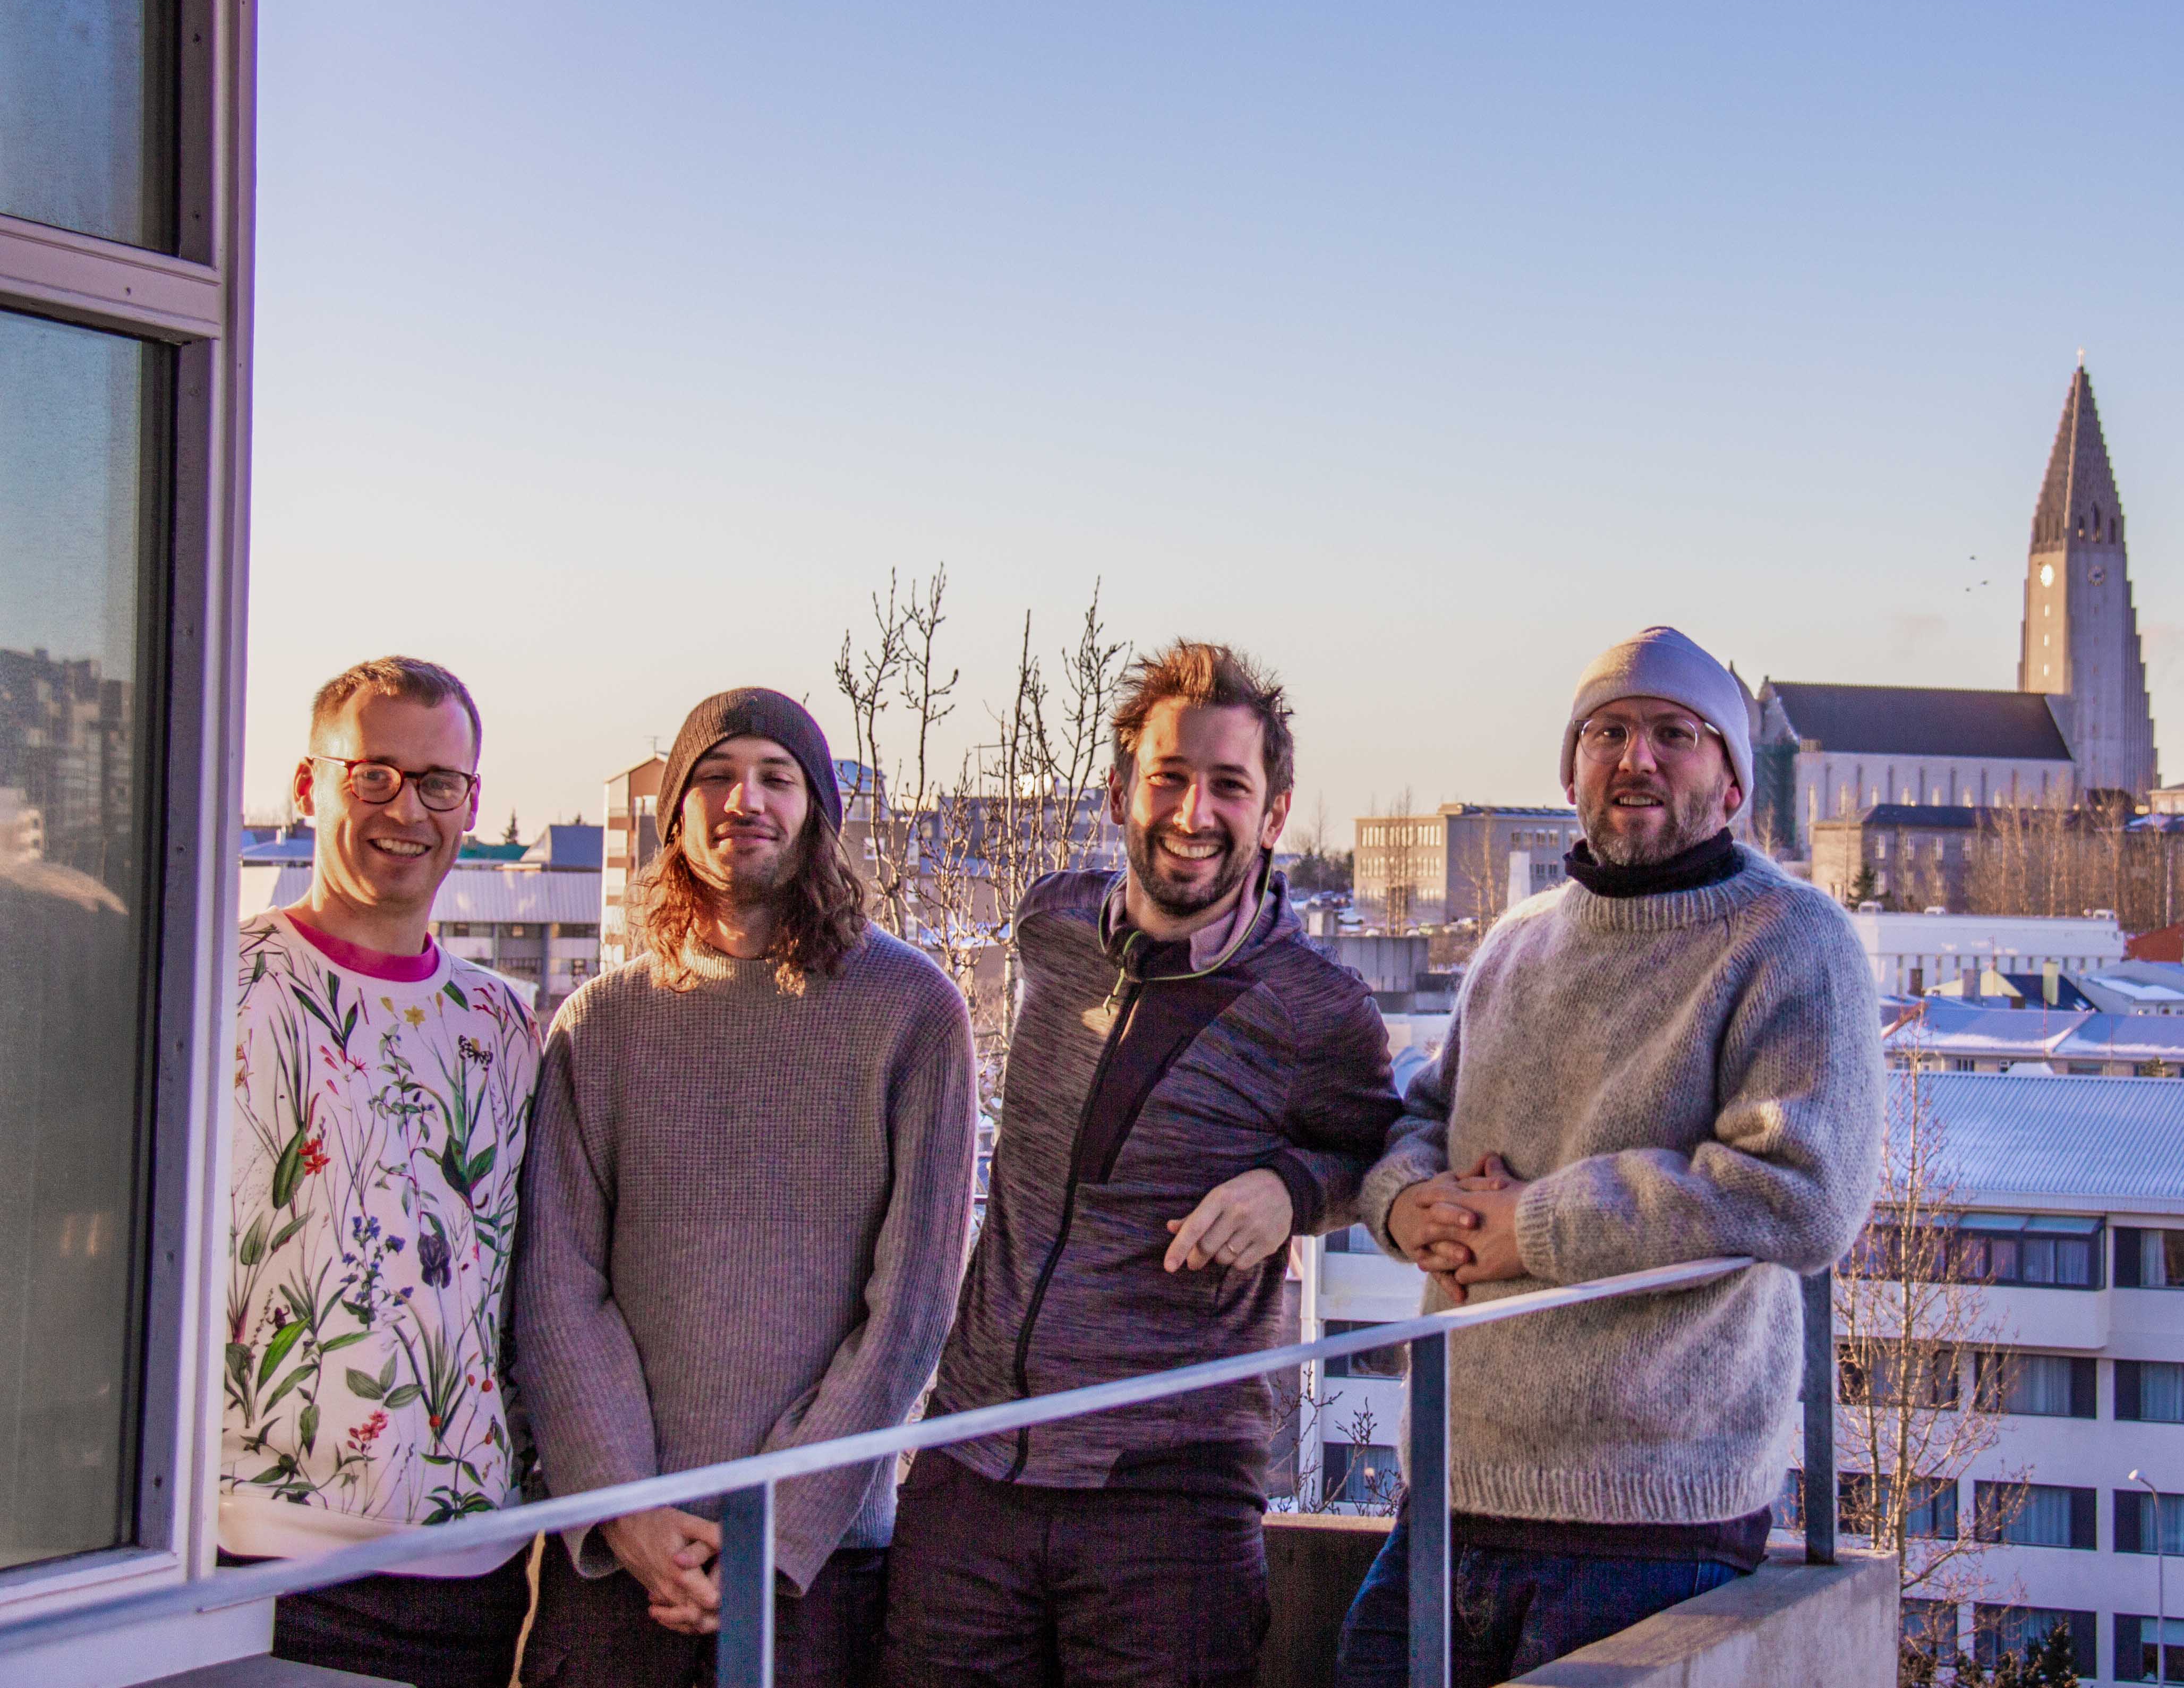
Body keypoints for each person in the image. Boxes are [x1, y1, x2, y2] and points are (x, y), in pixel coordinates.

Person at [1333, 625, 1885, 1688]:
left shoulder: (1791, 939)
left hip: (1650, 1525)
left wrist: (1529, 1225)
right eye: (1608, 732)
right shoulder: (1515, 940)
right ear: (1572, 769)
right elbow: (1425, 1118)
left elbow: (1800, 1192)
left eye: (1676, 734)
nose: (1637, 757)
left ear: (1731, 781)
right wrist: (1414, 1209)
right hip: (1450, 1495)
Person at [882, 642, 1400, 1688]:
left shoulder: (1318, 1009)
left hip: (1165, 1502)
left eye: (1229, 785)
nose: (1193, 811)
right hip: (973, 1465)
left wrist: (1292, 1189)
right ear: (1122, 789)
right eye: (1169, 777)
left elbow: (1382, 1154)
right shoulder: (1050, 925)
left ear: (1275, 810)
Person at [514, 687, 978, 1688]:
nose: (745, 799)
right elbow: (557, 1289)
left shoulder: (916, 1014)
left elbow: (911, 1308)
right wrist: (628, 1512)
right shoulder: (600, 1025)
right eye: (715, 777)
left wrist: (775, 1526)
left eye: (777, 776)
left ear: (818, 813)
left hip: (816, 1564)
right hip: (619, 1564)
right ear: (675, 814)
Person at [218, 657, 540, 1688]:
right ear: (312, 786)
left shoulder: (505, 1022)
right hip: (255, 1556)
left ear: (470, 802)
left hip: (469, 1570)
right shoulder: (216, 986)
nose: (408, 808)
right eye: (375, 774)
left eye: (438, 781)